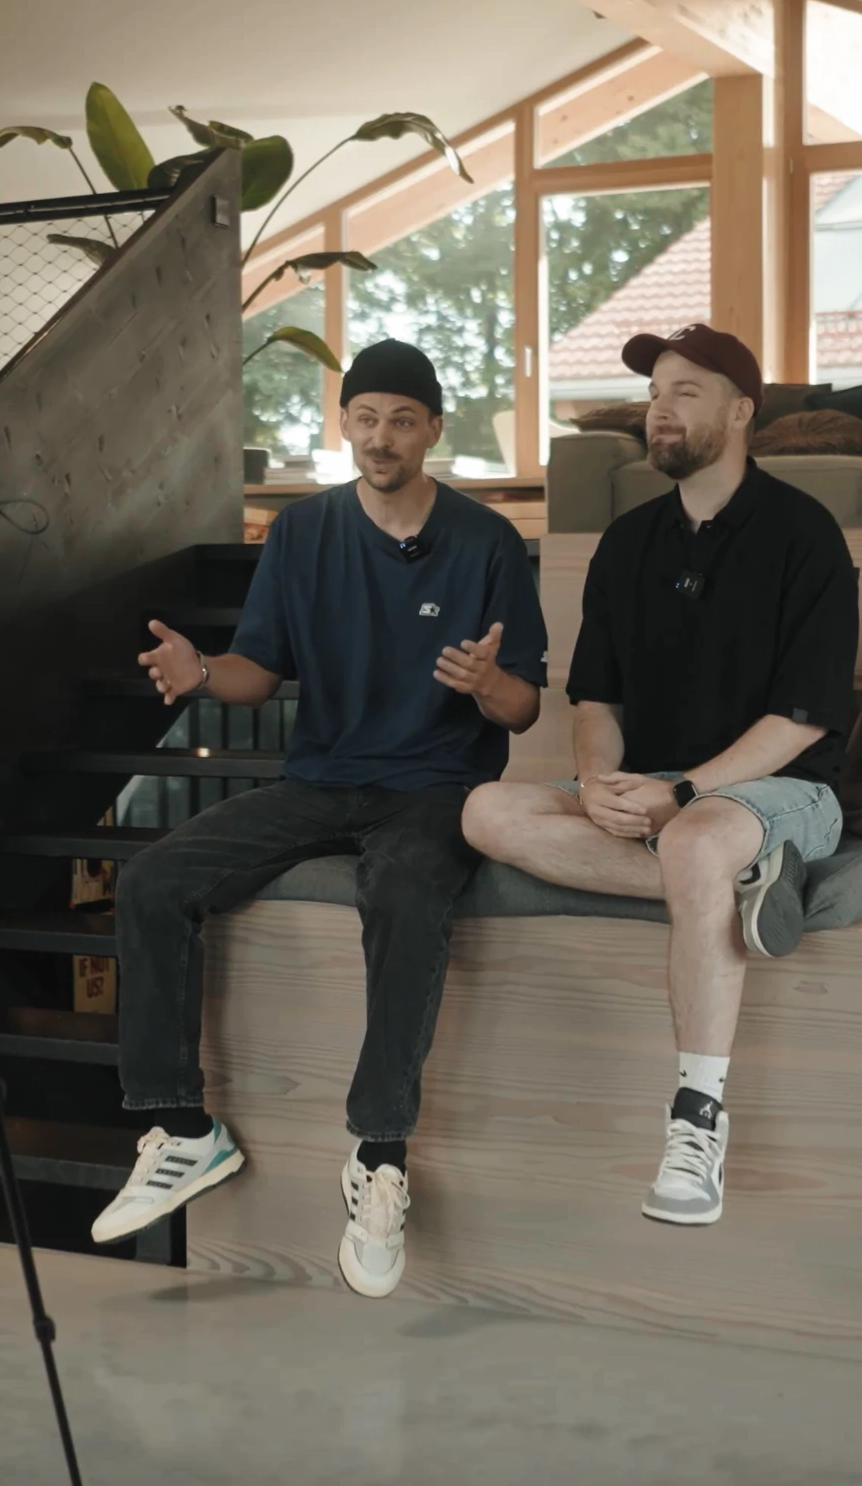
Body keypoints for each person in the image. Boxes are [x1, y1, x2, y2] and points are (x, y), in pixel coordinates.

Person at [88, 338, 546, 1297]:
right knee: (154, 878)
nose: (382, 437)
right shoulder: (301, 534)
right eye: (366, 418)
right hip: (321, 779)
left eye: (402, 421)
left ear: (433, 430)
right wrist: (202, 674)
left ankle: (379, 1155)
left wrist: (486, 683)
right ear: (344, 424)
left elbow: (523, 710)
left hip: (438, 786)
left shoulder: (488, 542)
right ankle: (183, 1128)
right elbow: (259, 676)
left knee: (404, 888)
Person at [460, 323, 860, 1228]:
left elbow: (801, 720)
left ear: (741, 411)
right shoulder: (627, 542)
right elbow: (595, 699)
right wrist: (600, 785)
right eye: (653, 394)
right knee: (485, 811)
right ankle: (741, 885)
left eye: (685, 392)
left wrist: (683, 795)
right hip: (660, 794)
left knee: (698, 841)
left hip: (784, 790)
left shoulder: (804, 533)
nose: (660, 410)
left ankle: (697, 1123)